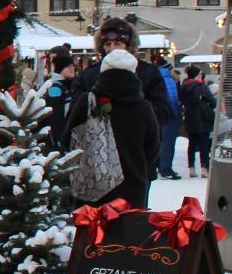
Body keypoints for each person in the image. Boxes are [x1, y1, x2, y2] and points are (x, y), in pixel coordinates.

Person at [67, 48, 161, 208]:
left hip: (91, 192)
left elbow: (67, 141)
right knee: (129, 232)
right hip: (132, 194)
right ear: (133, 74)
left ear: (103, 72)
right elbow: (152, 150)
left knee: (92, 233)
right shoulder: (144, 108)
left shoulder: (87, 102)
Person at [72, 18, 172, 143]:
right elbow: (76, 112)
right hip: (100, 149)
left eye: (118, 43)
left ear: (128, 45)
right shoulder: (89, 75)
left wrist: (135, 113)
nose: (112, 48)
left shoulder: (147, 73)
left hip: (137, 147)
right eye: (108, 44)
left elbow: (163, 111)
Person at [179, 64, 217, 177]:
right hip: (202, 118)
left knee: (192, 144)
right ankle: (204, 168)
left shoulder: (184, 86)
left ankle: (191, 168)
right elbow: (213, 101)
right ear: (196, 76)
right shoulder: (201, 86)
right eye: (200, 74)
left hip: (190, 117)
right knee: (204, 145)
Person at [42, 49, 77, 148]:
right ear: (60, 68)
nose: (72, 68)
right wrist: (59, 140)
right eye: (68, 66)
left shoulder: (66, 85)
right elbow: (55, 117)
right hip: (57, 140)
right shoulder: (55, 88)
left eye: (72, 66)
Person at [155, 57, 183, 180]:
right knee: (168, 144)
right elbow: (173, 101)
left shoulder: (155, 78)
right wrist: (178, 117)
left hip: (158, 116)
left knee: (159, 143)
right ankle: (165, 169)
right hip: (169, 117)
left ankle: (159, 166)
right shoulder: (168, 80)